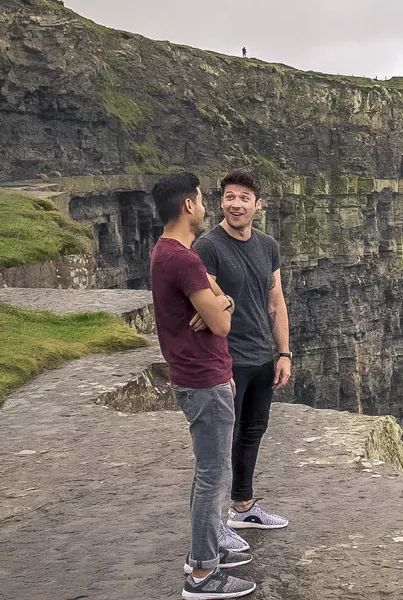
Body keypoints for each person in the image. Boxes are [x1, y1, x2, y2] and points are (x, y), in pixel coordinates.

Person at [149, 172, 256, 599]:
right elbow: (223, 322)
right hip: (203, 377)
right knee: (213, 473)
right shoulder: (185, 260)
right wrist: (222, 306)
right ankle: (202, 574)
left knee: (208, 470)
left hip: (195, 374)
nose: (207, 206)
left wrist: (221, 300)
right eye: (202, 199)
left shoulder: (167, 252)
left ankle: (207, 549)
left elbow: (219, 298)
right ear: (189, 205)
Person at [193, 169, 292, 532]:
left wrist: (283, 353)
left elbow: (276, 301)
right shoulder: (208, 247)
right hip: (229, 361)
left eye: (244, 198)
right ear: (221, 201)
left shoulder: (268, 246)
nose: (236, 204)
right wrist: (219, 366)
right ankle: (214, 526)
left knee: (253, 430)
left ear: (257, 205)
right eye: (230, 197)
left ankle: (243, 506)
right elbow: (208, 310)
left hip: (261, 356)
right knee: (222, 443)